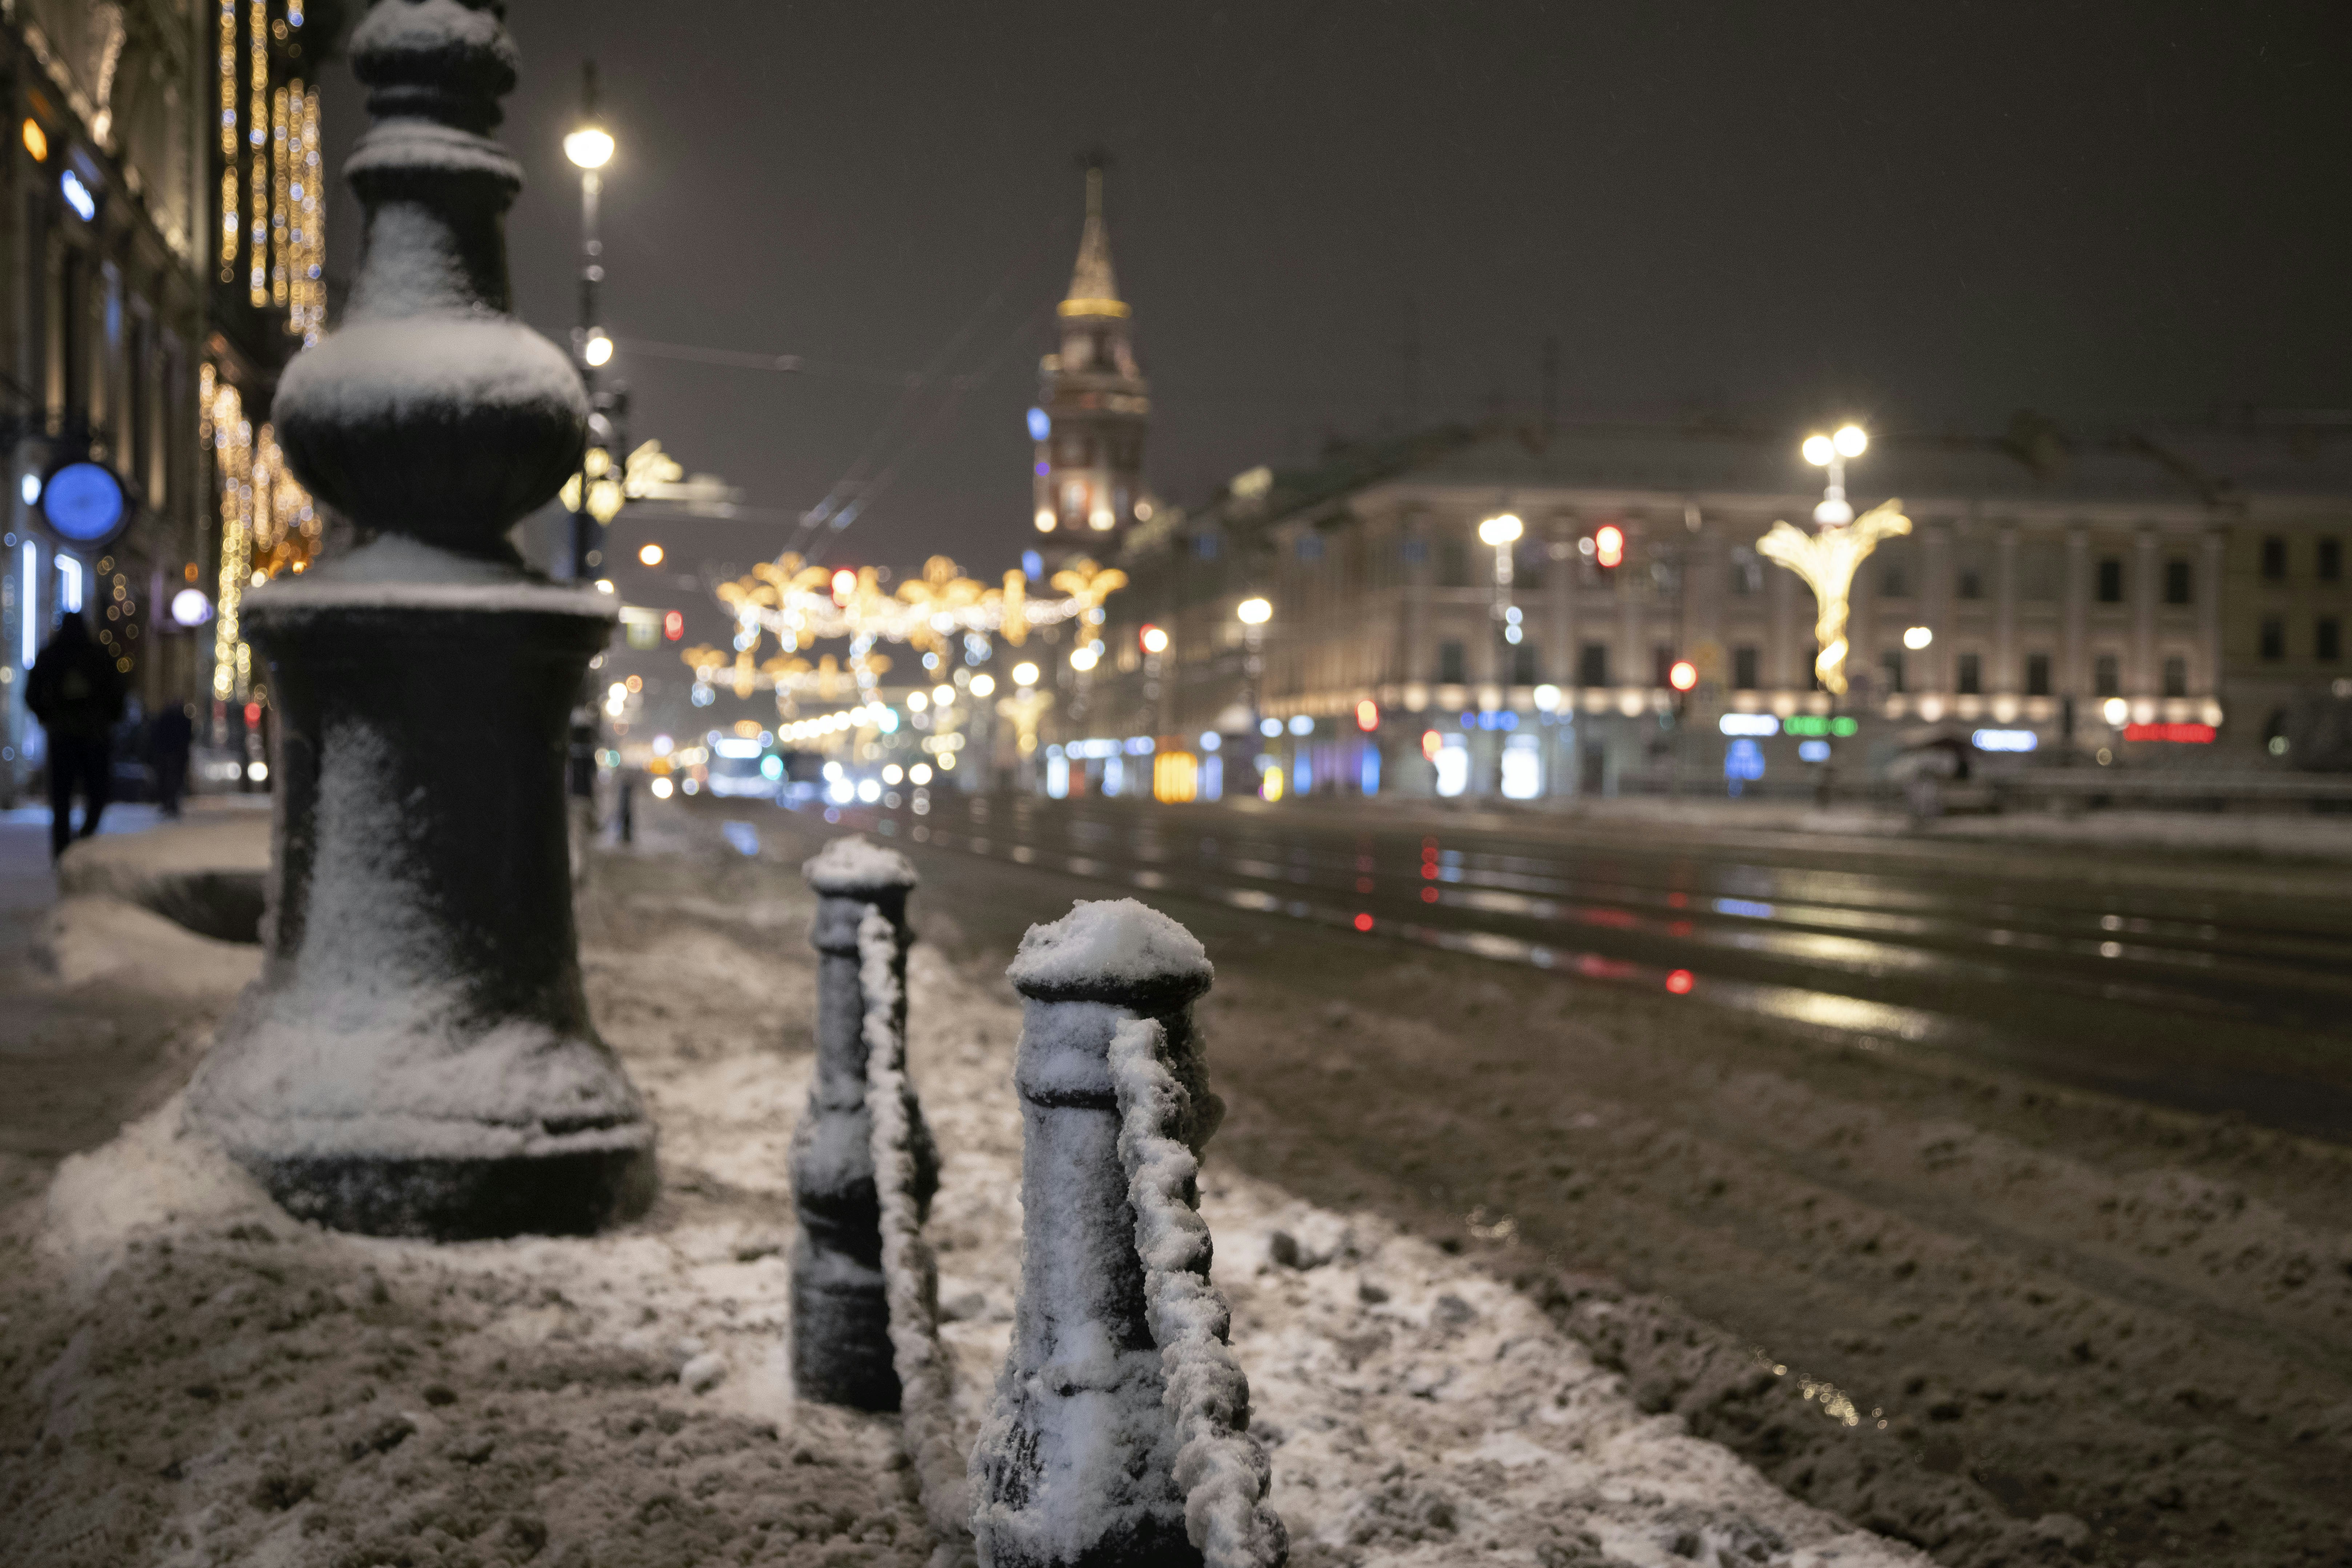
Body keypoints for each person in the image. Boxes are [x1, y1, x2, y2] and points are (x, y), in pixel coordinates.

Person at [25, 613, 126, 860]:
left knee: (61, 799)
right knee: (96, 794)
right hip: (93, 737)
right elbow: (117, 694)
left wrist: (48, 715)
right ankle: (84, 842)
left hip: (64, 736)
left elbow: (31, 694)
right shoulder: (98, 656)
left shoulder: (52, 655)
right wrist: (107, 719)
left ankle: (63, 852)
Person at [149, 698, 196, 818]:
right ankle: (170, 803)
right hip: (175, 755)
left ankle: (169, 803)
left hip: (169, 755)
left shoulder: (165, 719)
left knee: (169, 780)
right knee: (173, 780)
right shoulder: (181, 719)